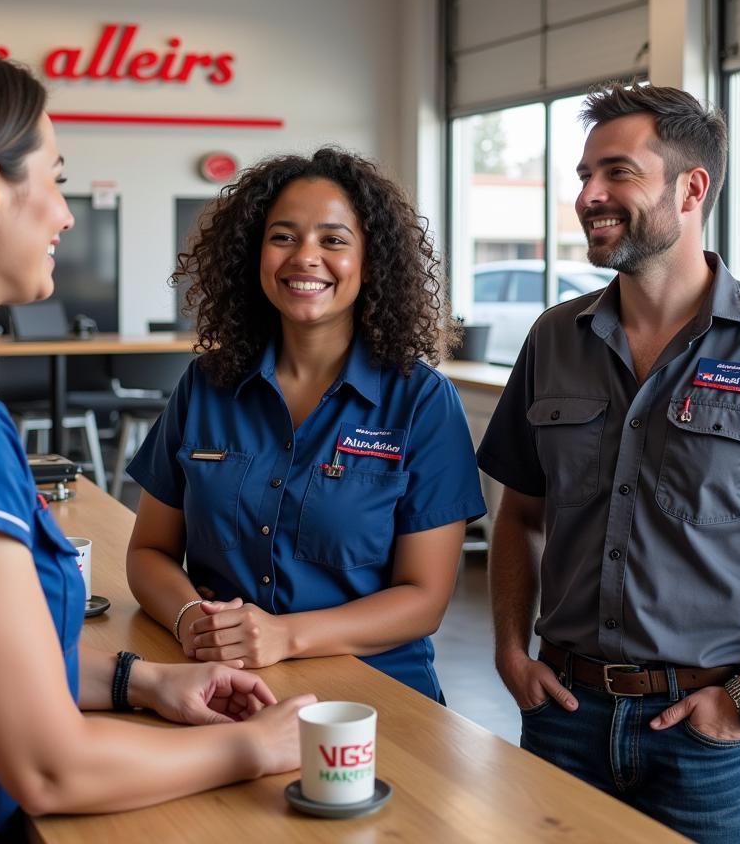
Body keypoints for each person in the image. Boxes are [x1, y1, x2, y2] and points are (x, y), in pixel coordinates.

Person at [0, 36, 314, 844]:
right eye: (58, 180)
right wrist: (259, 744)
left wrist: (139, 681)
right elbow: (49, 767)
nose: (69, 214)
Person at [478, 83, 740, 844]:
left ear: (692, 187)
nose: (589, 196)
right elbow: (522, 516)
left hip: (710, 742)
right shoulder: (553, 339)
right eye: (582, 176)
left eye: (617, 173)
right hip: (564, 720)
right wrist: (508, 649)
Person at [125, 148, 485, 701]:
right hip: (220, 686)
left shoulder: (421, 403)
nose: (305, 257)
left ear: (372, 261)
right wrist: (193, 619)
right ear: (254, 254)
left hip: (374, 697)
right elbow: (148, 551)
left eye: (334, 240)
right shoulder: (206, 385)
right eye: (283, 236)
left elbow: (424, 598)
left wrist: (283, 636)